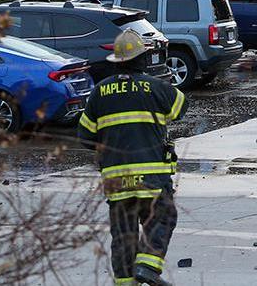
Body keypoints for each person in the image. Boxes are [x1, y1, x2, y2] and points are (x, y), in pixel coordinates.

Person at [78, 29, 186, 286]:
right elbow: (181, 108)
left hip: (116, 180)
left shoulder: (99, 92)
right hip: (151, 177)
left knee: (123, 235)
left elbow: (85, 135)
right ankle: (148, 265)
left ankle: (127, 283)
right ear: (142, 59)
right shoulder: (157, 87)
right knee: (163, 216)